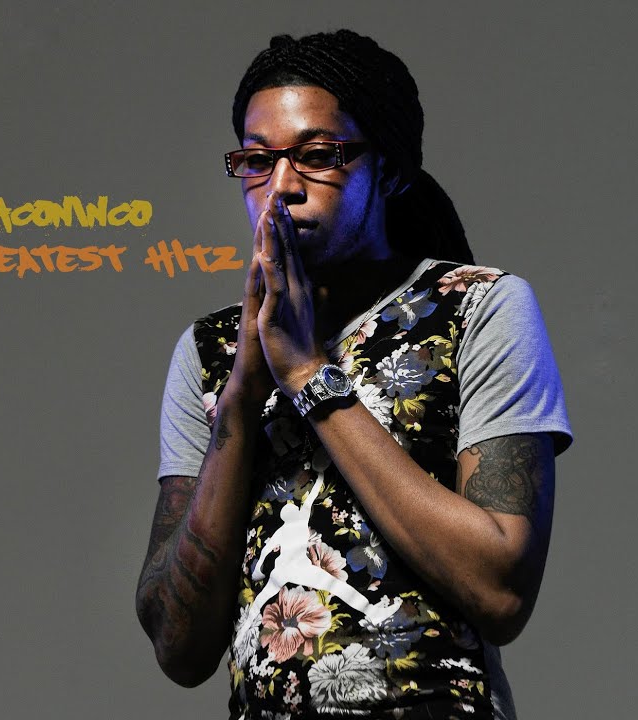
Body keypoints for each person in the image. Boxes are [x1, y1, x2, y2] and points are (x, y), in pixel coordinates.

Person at [135, 29, 573, 720]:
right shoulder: (211, 352)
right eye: (257, 160)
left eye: (318, 156)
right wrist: (243, 394)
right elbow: (178, 647)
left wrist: (307, 372)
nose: (282, 187)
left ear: (389, 171)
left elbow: (501, 591)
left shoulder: (478, 309)